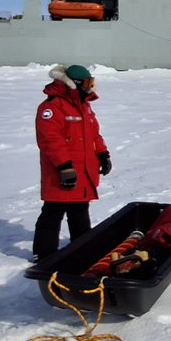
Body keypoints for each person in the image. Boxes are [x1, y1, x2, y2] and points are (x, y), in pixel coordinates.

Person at [33, 64, 112, 259]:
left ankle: (81, 247)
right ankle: (44, 254)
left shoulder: (84, 106)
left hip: (83, 171)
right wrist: (64, 167)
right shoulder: (52, 106)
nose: (90, 87)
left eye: (92, 83)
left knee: (79, 209)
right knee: (54, 210)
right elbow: (50, 140)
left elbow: (94, 134)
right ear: (74, 83)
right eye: (87, 83)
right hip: (61, 171)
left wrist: (103, 154)